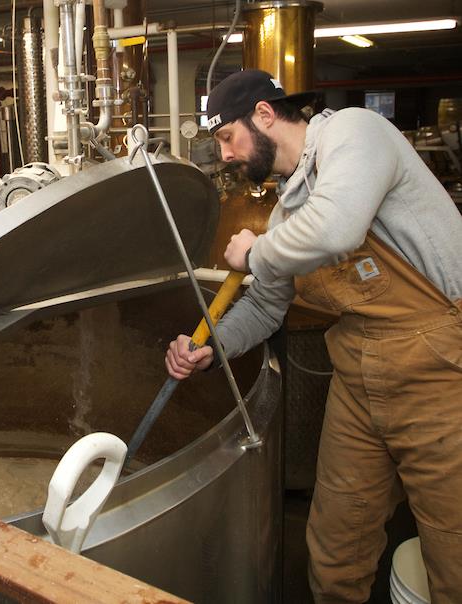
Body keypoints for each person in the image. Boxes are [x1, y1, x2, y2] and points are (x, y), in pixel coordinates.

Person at [165, 69, 462, 602]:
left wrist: (254, 252)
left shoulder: (355, 132)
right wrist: (211, 349)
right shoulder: (286, 212)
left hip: (440, 373)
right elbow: (265, 305)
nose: (226, 156)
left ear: (263, 115)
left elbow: (337, 227)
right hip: (358, 383)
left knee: (453, 551)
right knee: (335, 550)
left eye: (226, 137)